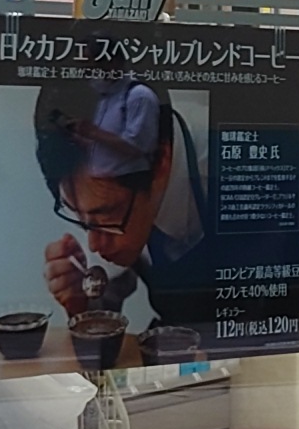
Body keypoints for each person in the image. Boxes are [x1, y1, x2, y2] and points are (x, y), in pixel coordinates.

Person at [34, 79, 231, 354]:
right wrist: (82, 307)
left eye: (106, 215)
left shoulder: (225, 166)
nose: (95, 244)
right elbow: (108, 299)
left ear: (160, 162)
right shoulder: (99, 194)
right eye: (80, 217)